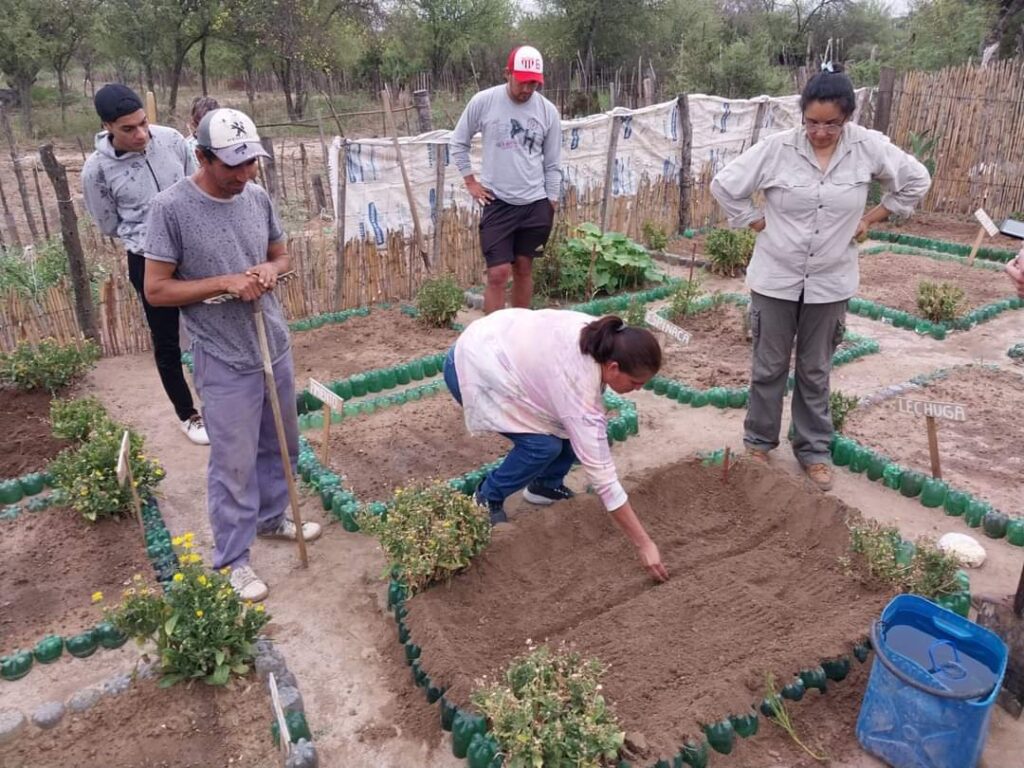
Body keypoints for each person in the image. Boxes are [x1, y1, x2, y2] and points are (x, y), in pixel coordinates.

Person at [710, 64, 931, 491]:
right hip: (775, 276)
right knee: (769, 365)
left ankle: (813, 450)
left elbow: (916, 180)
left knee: (816, 369)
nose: (820, 132)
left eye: (831, 123)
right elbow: (725, 185)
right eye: (812, 122)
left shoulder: (868, 147)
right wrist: (753, 221)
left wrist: (873, 216)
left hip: (831, 279)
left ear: (847, 116)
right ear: (802, 115)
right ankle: (758, 442)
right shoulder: (776, 149)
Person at [142, 108, 322, 602]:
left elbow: (281, 257)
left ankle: (271, 519)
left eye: (251, 163)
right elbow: (156, 291)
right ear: (201, 157)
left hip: (273, 342)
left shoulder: (257, 197)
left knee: (282, 444)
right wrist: (224, 282)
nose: (244, 175)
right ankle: (234, 558)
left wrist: (268, 270)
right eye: (232, 166)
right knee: (233, 462)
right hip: (222, 354)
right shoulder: (170, 208)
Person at [444, 309, 669, 582]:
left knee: (568, 430)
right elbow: (604, 480)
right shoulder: (579, 383)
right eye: (635, 383)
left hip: (500, 349)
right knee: (542, 447)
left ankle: (545, 487)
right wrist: (644, 544)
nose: (637, 389)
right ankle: (486, 497)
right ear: (613, 367)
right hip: (473, 364)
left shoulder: (600, 340)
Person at [82, 84, 209, 445]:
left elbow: (193, 183)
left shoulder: (170, 140)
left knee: (210, 326)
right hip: (148, 259)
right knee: (166, 340)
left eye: (143, 124)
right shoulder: (97, 172)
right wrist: (148, 235)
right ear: (108, 126)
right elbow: (107, 222)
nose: (140, 134)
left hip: (194, 248)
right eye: (128, 128)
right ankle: (188, 415)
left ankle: (222, 399)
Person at [450, 45, 562, 314]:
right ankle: (492, 340)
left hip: (535, 203)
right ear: (507, 74)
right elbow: (458, 142)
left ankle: (519, 335)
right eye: (523, 82)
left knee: (524, 268)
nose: (527, 89)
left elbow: (553, 162)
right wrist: (470, 182)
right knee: (498, 273)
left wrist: (551, 201)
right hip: (498, 202)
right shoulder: (484, 102)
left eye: (534, 83)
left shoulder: (548, 112)